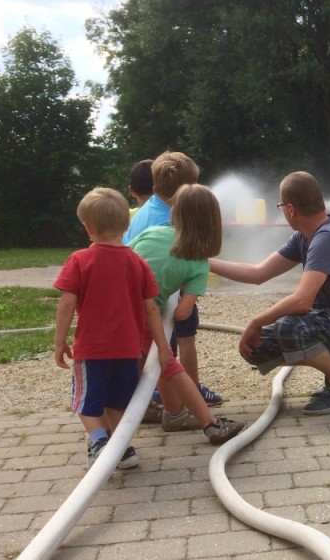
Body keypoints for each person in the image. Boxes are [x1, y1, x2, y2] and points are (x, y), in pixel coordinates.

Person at [209, 171, 330, 415]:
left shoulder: (328, 238)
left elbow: (302, 301)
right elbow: (258, 273)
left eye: (281, 206)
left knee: (290, 327)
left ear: (291, 209)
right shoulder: (304, 237)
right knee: (259, 347)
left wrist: (256, 321)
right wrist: (204, 263)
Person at [53, 187, 174, 469]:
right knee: (119, 402)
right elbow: (152, 309)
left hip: (92, 350)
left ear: (88, 228)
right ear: (127, 224)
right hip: (128, 350)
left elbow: (67, 304)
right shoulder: (138, 263)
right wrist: (163, 347)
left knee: (84, 402)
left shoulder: (79, 260)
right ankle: (123, 449)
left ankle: (99, 441)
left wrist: (60, 342)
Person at [128, 183, 245, 444]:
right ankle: (210, 424)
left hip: (116, 306)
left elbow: (126, 256)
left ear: (174, 212)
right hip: (143, 315)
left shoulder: (150, 233)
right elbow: (182, 314)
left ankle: (165, 412)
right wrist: (176, 293)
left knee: (144, 360)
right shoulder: (198, 263)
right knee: (168, 363)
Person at [124, 150, 223, 409]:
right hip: (164, 297)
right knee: (180, 340)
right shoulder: (168, 220)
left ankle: (151, 398)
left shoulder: (146, 211)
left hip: (140, 297)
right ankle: (189, 394)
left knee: (150, 350)